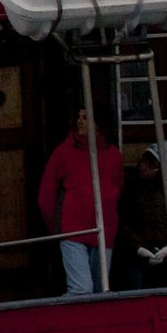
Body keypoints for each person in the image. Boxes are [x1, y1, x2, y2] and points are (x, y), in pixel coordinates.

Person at [36, 102, 124, 295]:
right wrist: (57, 230)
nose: (80, 121)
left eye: (86, 117)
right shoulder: (64, 152)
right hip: (73, 229)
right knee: (81, 289)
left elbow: (117, 191)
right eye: (79, 116)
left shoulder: (114, 156)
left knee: (101, 290)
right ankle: (61, 321)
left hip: (104, 230)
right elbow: (46, 195)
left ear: (99, 123)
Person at [114, 142, 167, 289]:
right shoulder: (130, 185)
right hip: (136, 252)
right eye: (143, 161)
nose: (144, 167)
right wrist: (138, 248)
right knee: (134, 286)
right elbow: (124, 220)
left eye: (151, 165)